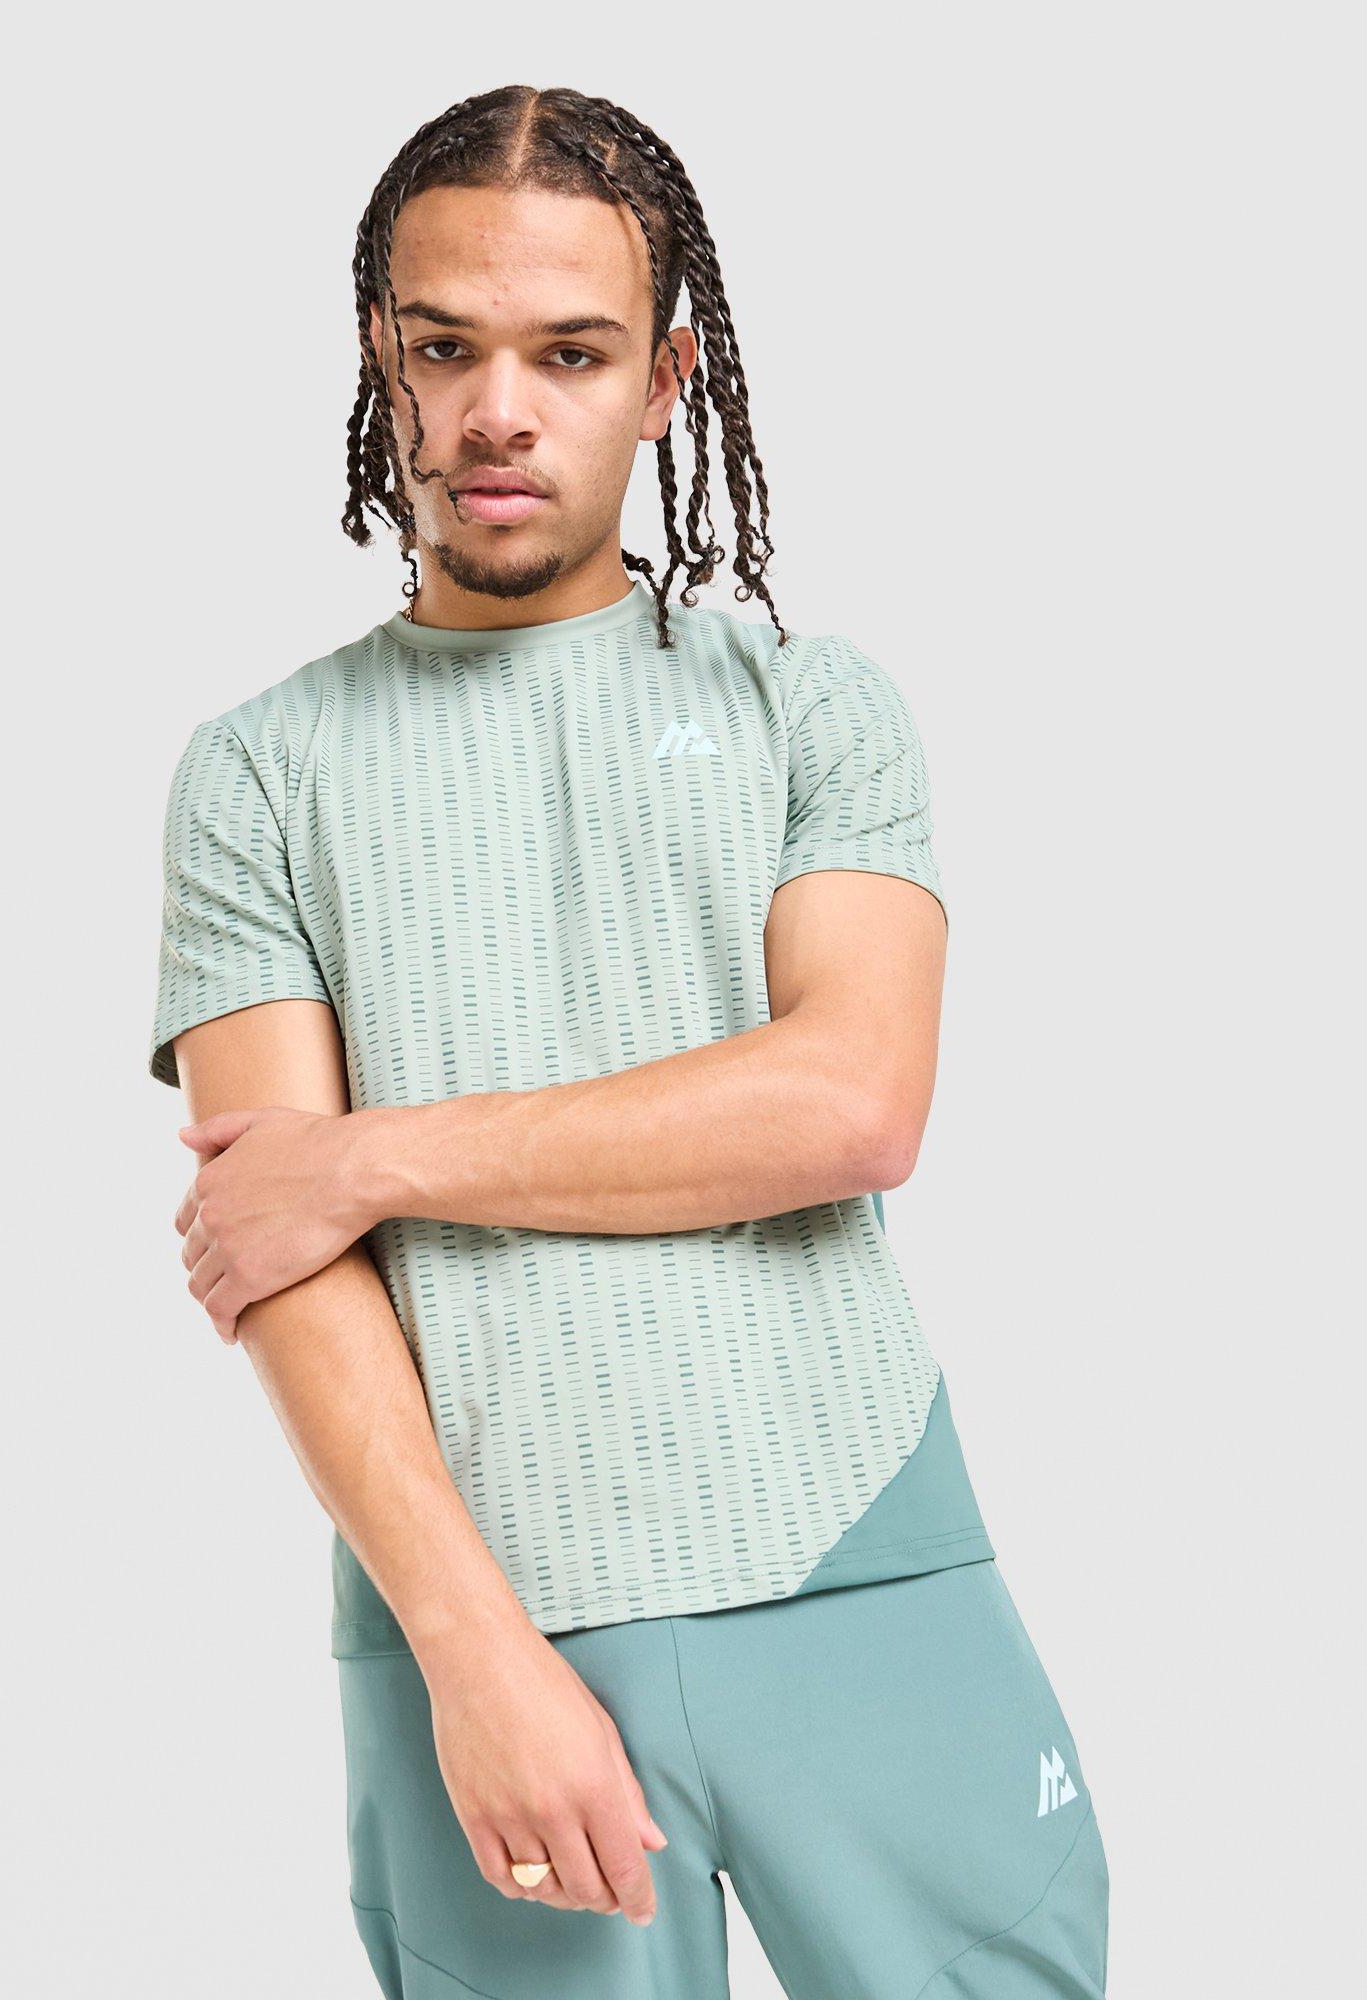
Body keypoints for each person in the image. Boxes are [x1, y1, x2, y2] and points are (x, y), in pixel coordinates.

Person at [149, 83, 1109, 2000]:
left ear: (666, 379)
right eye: (446, 349)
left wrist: (375, 1156)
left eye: (570, 353)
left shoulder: (813, 708)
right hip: (479, 1626)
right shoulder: (258, 772)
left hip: (854, 1548)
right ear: (383, 359)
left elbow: (850, 1102)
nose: (498, 410)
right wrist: (475, 1656)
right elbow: (275, 1250)